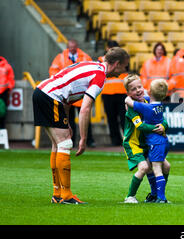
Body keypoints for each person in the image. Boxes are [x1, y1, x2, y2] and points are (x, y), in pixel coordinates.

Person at [33, 47, 129, 204]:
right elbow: (85, 108)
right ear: (117, 64)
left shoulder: (92, 66)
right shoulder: (99, 76)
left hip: (43, 92)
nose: (122, 72)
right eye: (124, 67)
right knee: (65, 144)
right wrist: (83, 139)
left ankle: (57, 194)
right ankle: (66, 195)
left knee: (57, 145)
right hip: (51, 97)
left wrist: (66, 122)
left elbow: (68, 93)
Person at [122, 74, 170, 203]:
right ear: (128, 93)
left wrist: (163, 126)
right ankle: (130, 196)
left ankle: (156, 195)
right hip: (133, 144)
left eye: (139, 86)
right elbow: (140, 126)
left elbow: (161, 118)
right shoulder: (131, 108)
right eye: (133, 89)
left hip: (146, 143)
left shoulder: (148, 100)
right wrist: (155, 128)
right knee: (143, 167)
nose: (138, 90)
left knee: (166, 166)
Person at [49, 39, 95, 148]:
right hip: (67, 93)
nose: (72, 49)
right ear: (67, 47)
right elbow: (53, 72)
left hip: (80, 93)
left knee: (84, 118)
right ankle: (71, 140)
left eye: (74, 47)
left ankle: (89, 140)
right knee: (69, 120)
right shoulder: (60, 57)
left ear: (77, 46)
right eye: (70, 47)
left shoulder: (85, 56)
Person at [98, 40, 127, 146]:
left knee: (124, 118)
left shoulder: (123, 60)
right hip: (107, 92)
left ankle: (127, 139)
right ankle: (115, 141)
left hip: (122, 92)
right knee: (111, 119)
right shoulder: (101, 60)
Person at [0, 56, 14, 129]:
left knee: (2, 112)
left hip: (3, 92)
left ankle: (2, 131)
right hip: (3, 92)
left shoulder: (7, 66)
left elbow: (11, 79)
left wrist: (9, 89)